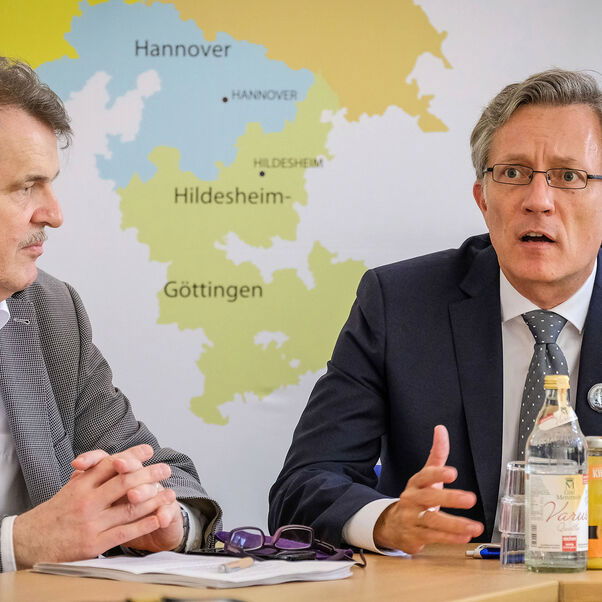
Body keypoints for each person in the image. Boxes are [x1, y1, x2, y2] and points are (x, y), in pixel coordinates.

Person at [269, 68, 602, 555]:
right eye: (512, 173)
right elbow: (303, 485)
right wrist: (385, 521)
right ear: (482, 199)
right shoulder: (401, 304)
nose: (538, 201)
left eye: (569, 176)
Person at [0, 57, 220, 572]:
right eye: (26, 186)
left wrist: (158, 517)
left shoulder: (51, 312)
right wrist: (18, 543)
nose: (54, 214)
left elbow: (157, 467)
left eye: (51, 184)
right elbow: (31, 541)